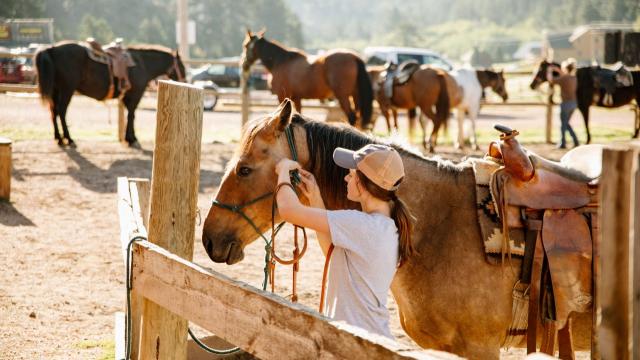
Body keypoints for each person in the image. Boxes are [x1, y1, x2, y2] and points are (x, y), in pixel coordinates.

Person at [274, 144, 415, 339]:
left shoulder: (361, 225)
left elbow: (289, 210)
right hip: (367, 339)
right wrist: (315, 196)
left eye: (351, 174)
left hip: (357, 343)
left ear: (363, 183)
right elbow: (333, 255)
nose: (346, 178)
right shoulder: (384, 226)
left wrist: (282, 172)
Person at [547, 58, 579, 149]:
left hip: (565, 104)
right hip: (573, 103)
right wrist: (559, 70)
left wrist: (549, 71)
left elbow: (551, 80)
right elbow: (564, 76)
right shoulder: (574, 78)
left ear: (565, 69)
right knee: (566, 123)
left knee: (563, 124)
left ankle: (563, 143)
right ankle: (575, 141)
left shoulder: (564, 78)